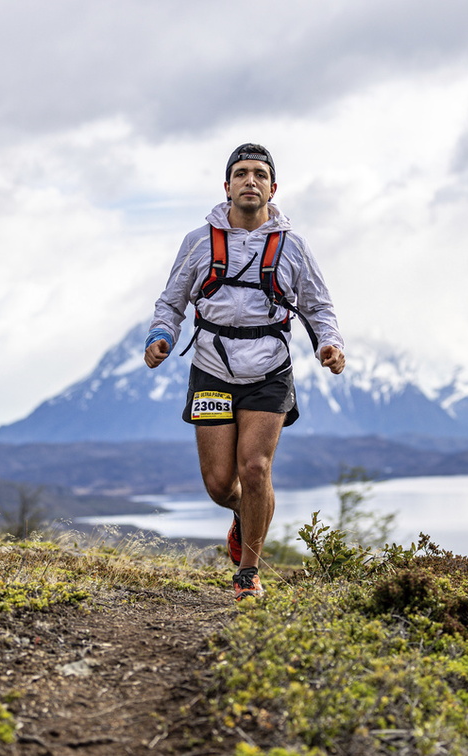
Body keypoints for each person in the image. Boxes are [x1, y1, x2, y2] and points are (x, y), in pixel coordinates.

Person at [144, 143, 346, 600]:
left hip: (269, 369)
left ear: (273, 188)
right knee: (221, 484)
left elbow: (319, 306)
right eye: (241, 173)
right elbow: (171, 301)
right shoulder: (199, 241)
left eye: (259, 174)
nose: (250, 181)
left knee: (255, 468)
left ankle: (248, 573)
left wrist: (330, 344)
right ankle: (244, 512)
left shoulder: (293, 246)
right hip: (211, 368)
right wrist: (160, 335)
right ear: (227, 186)